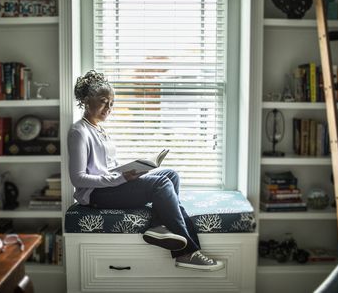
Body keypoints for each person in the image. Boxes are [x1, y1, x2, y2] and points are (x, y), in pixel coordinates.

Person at [67, 70, 224, 271]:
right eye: (104, 101)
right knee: (161, 183)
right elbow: (78, 179)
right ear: (87, 101)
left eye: (112, 103)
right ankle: (187, 253)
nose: (109, 107)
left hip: (110, 186)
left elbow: (104, 169)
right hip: (95, 195)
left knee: (171, 175)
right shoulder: (79, 131)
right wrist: (120, 178)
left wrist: (131, 171)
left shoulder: (99, 129)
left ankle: (159, 226)